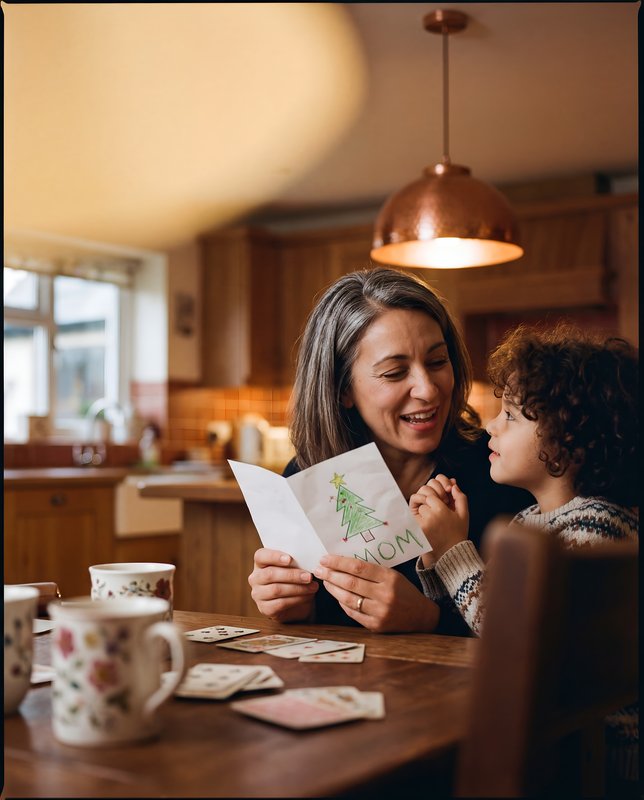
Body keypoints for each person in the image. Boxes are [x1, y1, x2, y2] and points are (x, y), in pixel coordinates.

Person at [410, 322, 638, 789]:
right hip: (561, 737)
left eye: (511, 416)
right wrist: (438, 554)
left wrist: (456, 549)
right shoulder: (531, 520)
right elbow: (477, 614)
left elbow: (511, 636)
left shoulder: (597, 526)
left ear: (568, 437)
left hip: (594, 756)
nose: (491, 425)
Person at [247, 267, 531, 635]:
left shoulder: (498, 470)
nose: (427, 390)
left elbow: (535, 636)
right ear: (342, 390)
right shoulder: (306, 477)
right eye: (395, 372)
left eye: (437, 362)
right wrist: (289, 605)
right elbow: (317, 625)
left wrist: (429, 619)